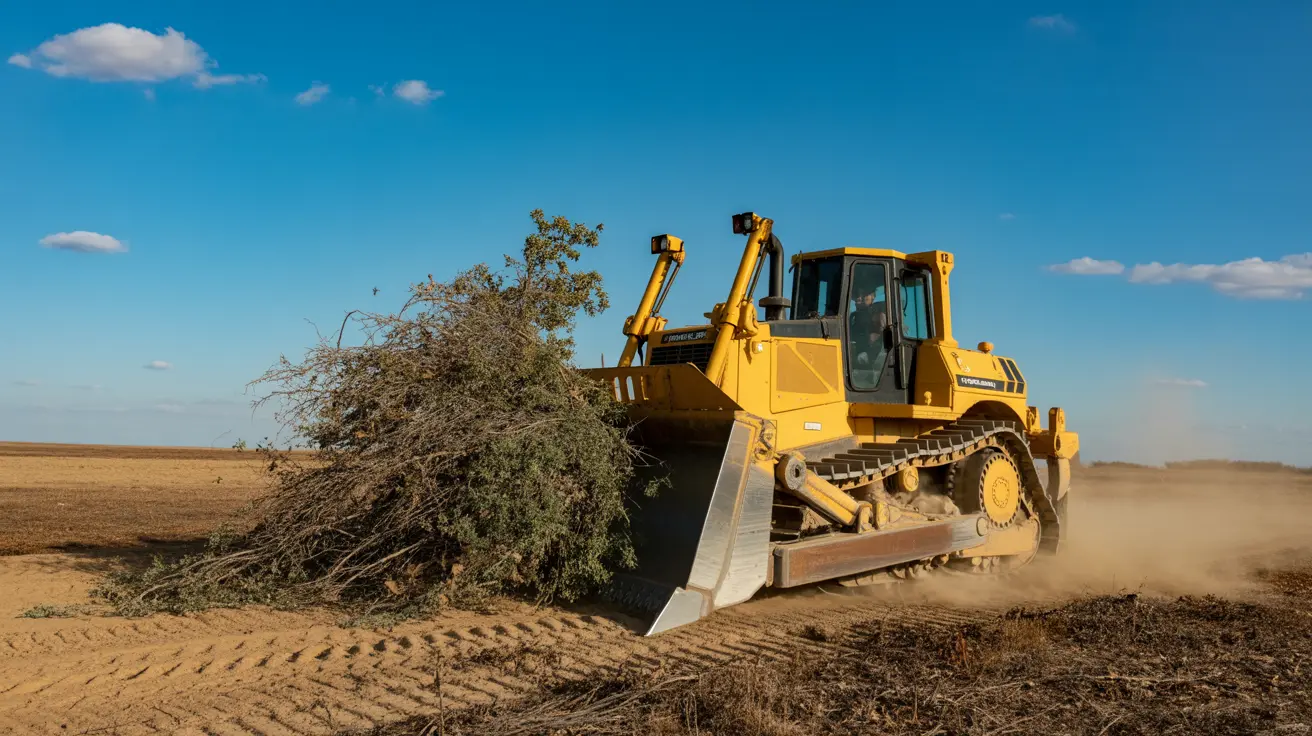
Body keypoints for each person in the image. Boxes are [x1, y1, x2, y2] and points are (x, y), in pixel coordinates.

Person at [849, 281, 888, 371]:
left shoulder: (879, 309)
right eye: (857, 295)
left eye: (864, 294)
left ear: (873, 297)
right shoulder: (853, 317)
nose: (859, 298)